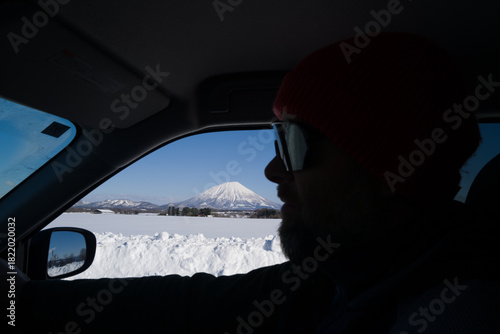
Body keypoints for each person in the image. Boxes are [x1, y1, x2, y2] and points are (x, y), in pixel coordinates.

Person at [4, 32, 500, 333]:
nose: (272, 171)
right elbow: (192, 307)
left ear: (396, 169)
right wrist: (23, 301)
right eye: (277, 140)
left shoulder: (453, 317)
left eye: (295, 143)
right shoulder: (338, 279)